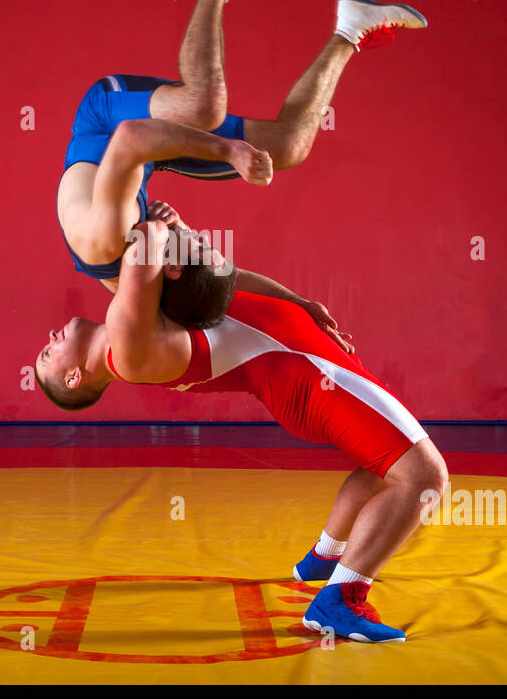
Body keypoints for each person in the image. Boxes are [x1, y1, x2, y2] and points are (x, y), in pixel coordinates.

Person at [33, 218, 448, 643]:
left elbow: (221, 278)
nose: (50, 336)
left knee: (385, 466)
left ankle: (323, 562)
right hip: (310, 376)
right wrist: (158, 220)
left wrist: (300, 302)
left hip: (309, 366)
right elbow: (146, 236)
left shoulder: (132, 311)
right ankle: (339, 601)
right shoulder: (128, 343)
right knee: (423, 476)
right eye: (48, 353)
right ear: (74, 379)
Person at [58, 0, 428, 290]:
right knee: (288, 146)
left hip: (108, 122)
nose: (188, 229)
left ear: (171, 267)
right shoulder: (152, 271)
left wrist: (227, 149)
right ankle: (352, 29)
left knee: (203, 106)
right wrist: (301, 303)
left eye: (195, 241)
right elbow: (231, 279)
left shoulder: (108, 243)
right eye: (198, 236)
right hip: (144, 155)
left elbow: (130, 136)